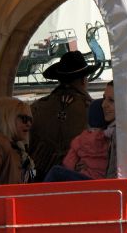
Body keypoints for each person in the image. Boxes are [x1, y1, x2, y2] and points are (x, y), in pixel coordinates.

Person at [29, 51, 100, 181]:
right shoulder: (94, 111)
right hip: (76, 182)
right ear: (84, 80)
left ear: (59, 80)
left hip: (38, 183)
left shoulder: (36, 108)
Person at [46, 81, 115, 182]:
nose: (104, 105)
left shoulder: (119, 135)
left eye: (111, 100)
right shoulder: (111, 133)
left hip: (104, 188)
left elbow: (68, 163)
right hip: (104, 186)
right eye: (104, 98)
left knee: (56, 172)